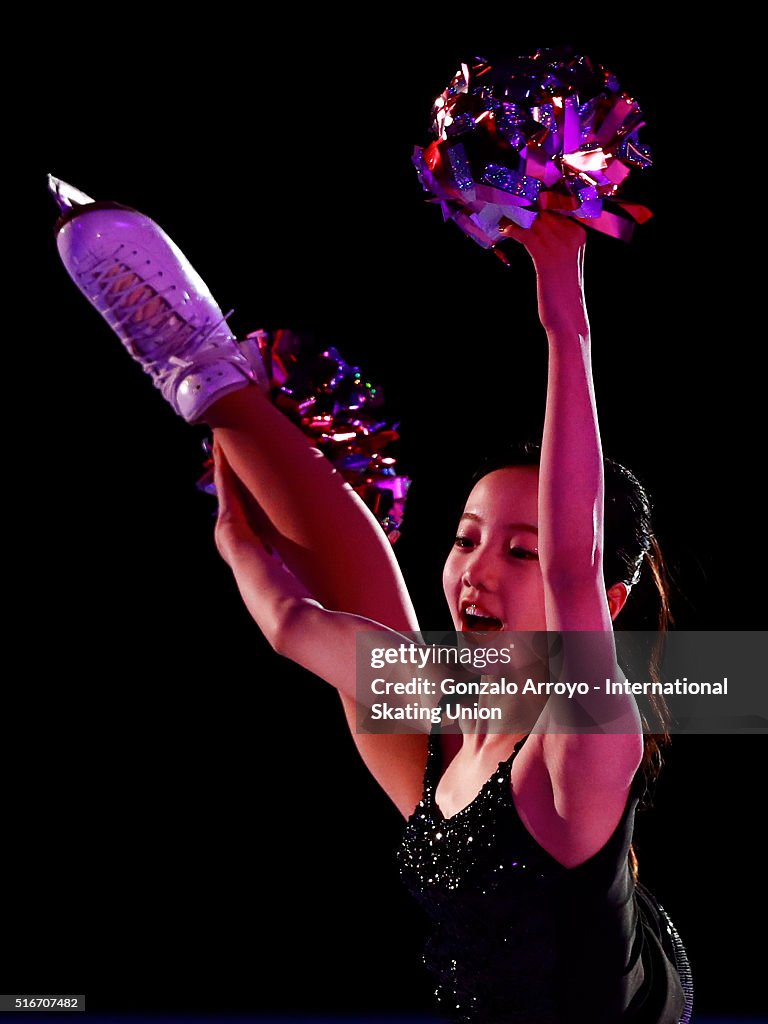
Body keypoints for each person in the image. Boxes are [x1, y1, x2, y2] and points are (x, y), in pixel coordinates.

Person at [50, 174, 692, 1023]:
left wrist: (563, 311)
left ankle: (215, 381)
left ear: (602, 600)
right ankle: (208, 377)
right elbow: (290, 623)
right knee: (380, 678)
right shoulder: (448, 695)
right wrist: (238, 543)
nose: (474, 571)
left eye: (519, 549)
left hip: (623, 984)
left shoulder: (592, 738)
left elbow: (576, 562)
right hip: (515, 816)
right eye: (464, 539)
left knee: (392, 691)